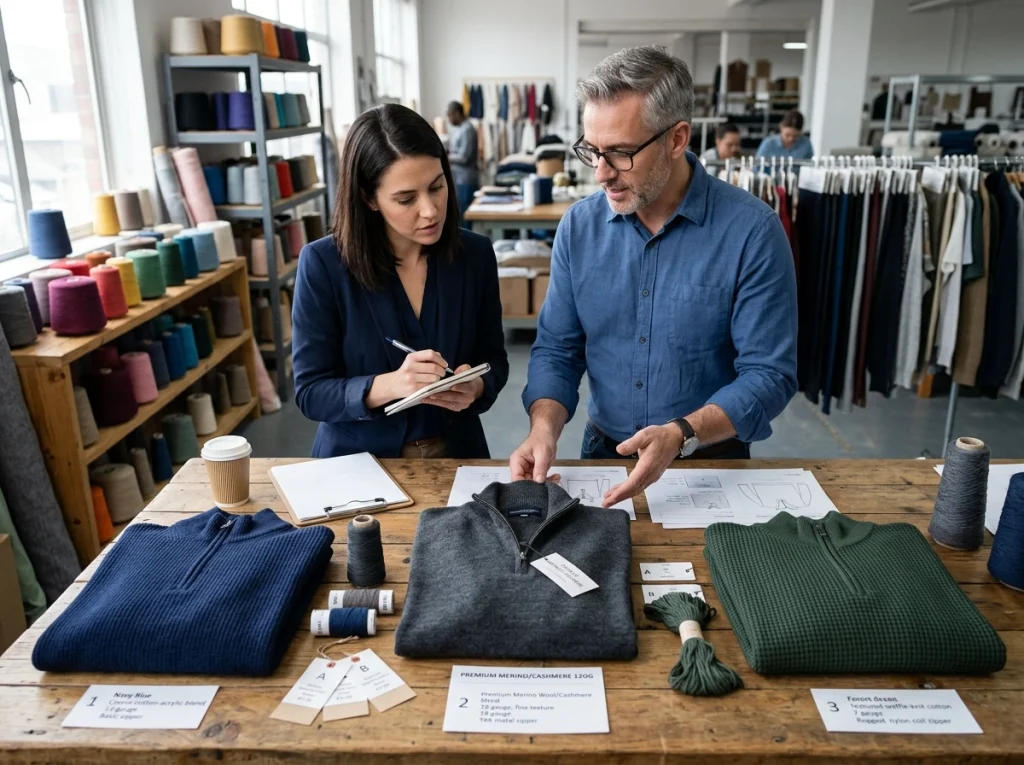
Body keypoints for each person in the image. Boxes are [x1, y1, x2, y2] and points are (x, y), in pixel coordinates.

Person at [510, 46, 797, 506]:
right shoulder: (579, 228)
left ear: (677, 138)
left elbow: (769, 373)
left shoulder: (752, 232)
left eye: (621, 154)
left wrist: (683, 432)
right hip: (604, 453)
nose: (601, 174)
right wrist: (543, 428)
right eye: (593, 151)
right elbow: (558, 348)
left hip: (710, 462)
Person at [292, 104, 509, 459]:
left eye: (437, 186)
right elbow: (310, 392)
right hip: (357, 463)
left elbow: (494, 359)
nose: (431, 210)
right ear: (368, 198)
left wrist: (477, 384)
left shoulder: (476, 254)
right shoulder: (324, 264)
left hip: (457, 456)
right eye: (406, 199)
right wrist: (389, 384)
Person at [446, 101, 479, 228]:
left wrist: (447, 156)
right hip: (459, 178)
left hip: (466, 178)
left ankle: (466, 246)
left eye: (450, 115)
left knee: (465, 215)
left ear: (457, 113)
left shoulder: (467, 129)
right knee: (460, 213)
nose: (449, 119)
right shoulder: (459, 129)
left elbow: (465, 157)